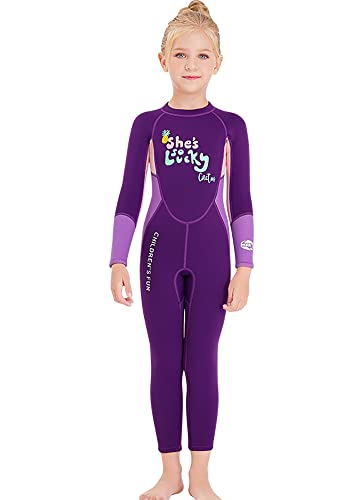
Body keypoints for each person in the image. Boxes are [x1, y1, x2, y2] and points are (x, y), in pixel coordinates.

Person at [109, 1, 254, 498]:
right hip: (158, 253)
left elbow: (240, 201)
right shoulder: (146, 124)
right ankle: (170, 473)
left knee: (203, 362)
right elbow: (129, 196)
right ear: (162, 59)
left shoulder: (230, 126)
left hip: (214, 257)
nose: (191, 64)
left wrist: (246, 266)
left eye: (202, 55)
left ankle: (201, 477)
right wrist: (117, 259)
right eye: (180, 54)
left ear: (218, 63)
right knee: (165, 362)